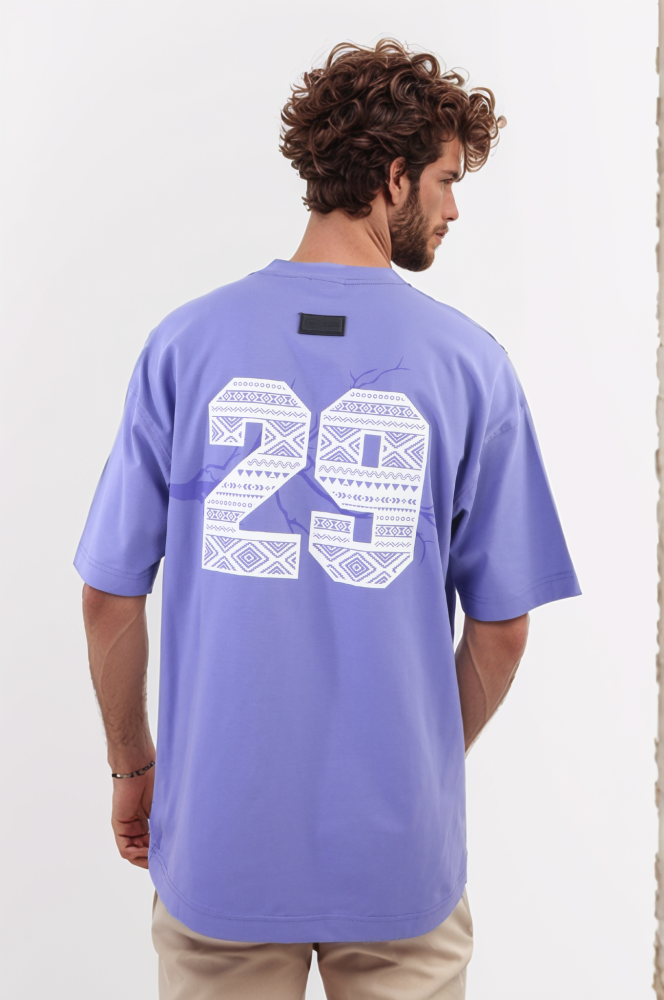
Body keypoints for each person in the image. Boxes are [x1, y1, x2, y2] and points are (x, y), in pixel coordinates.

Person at [77, 39, 580, 1000]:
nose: (453, 208)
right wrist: (416, 765)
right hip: (397, 860)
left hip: (219, 842)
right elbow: (503, 630)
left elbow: (108, 595)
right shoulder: (471, 365)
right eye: (445, 179)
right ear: (392, 178)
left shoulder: (184, 345)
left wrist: (131, 768)